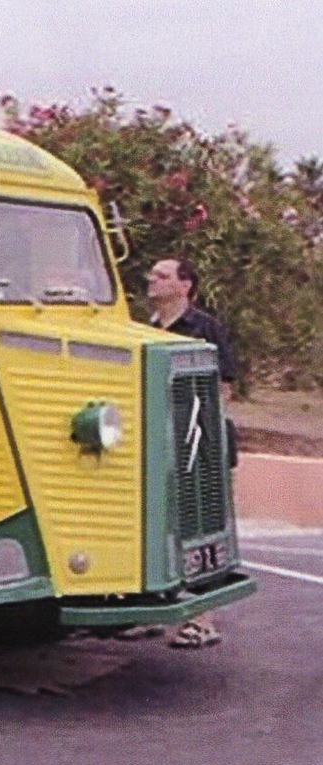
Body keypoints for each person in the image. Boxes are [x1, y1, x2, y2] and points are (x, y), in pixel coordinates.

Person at [141, 256, 237, 648]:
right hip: (157, 446)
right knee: (157, 529)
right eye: (153, 274)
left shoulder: (205, 328)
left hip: (200, 445)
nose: (153, 279)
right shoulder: (142, 329)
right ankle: (152, 611)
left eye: (163, 275)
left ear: (185, 285)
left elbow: (224, 387)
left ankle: (202, 618)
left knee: (202, 529)